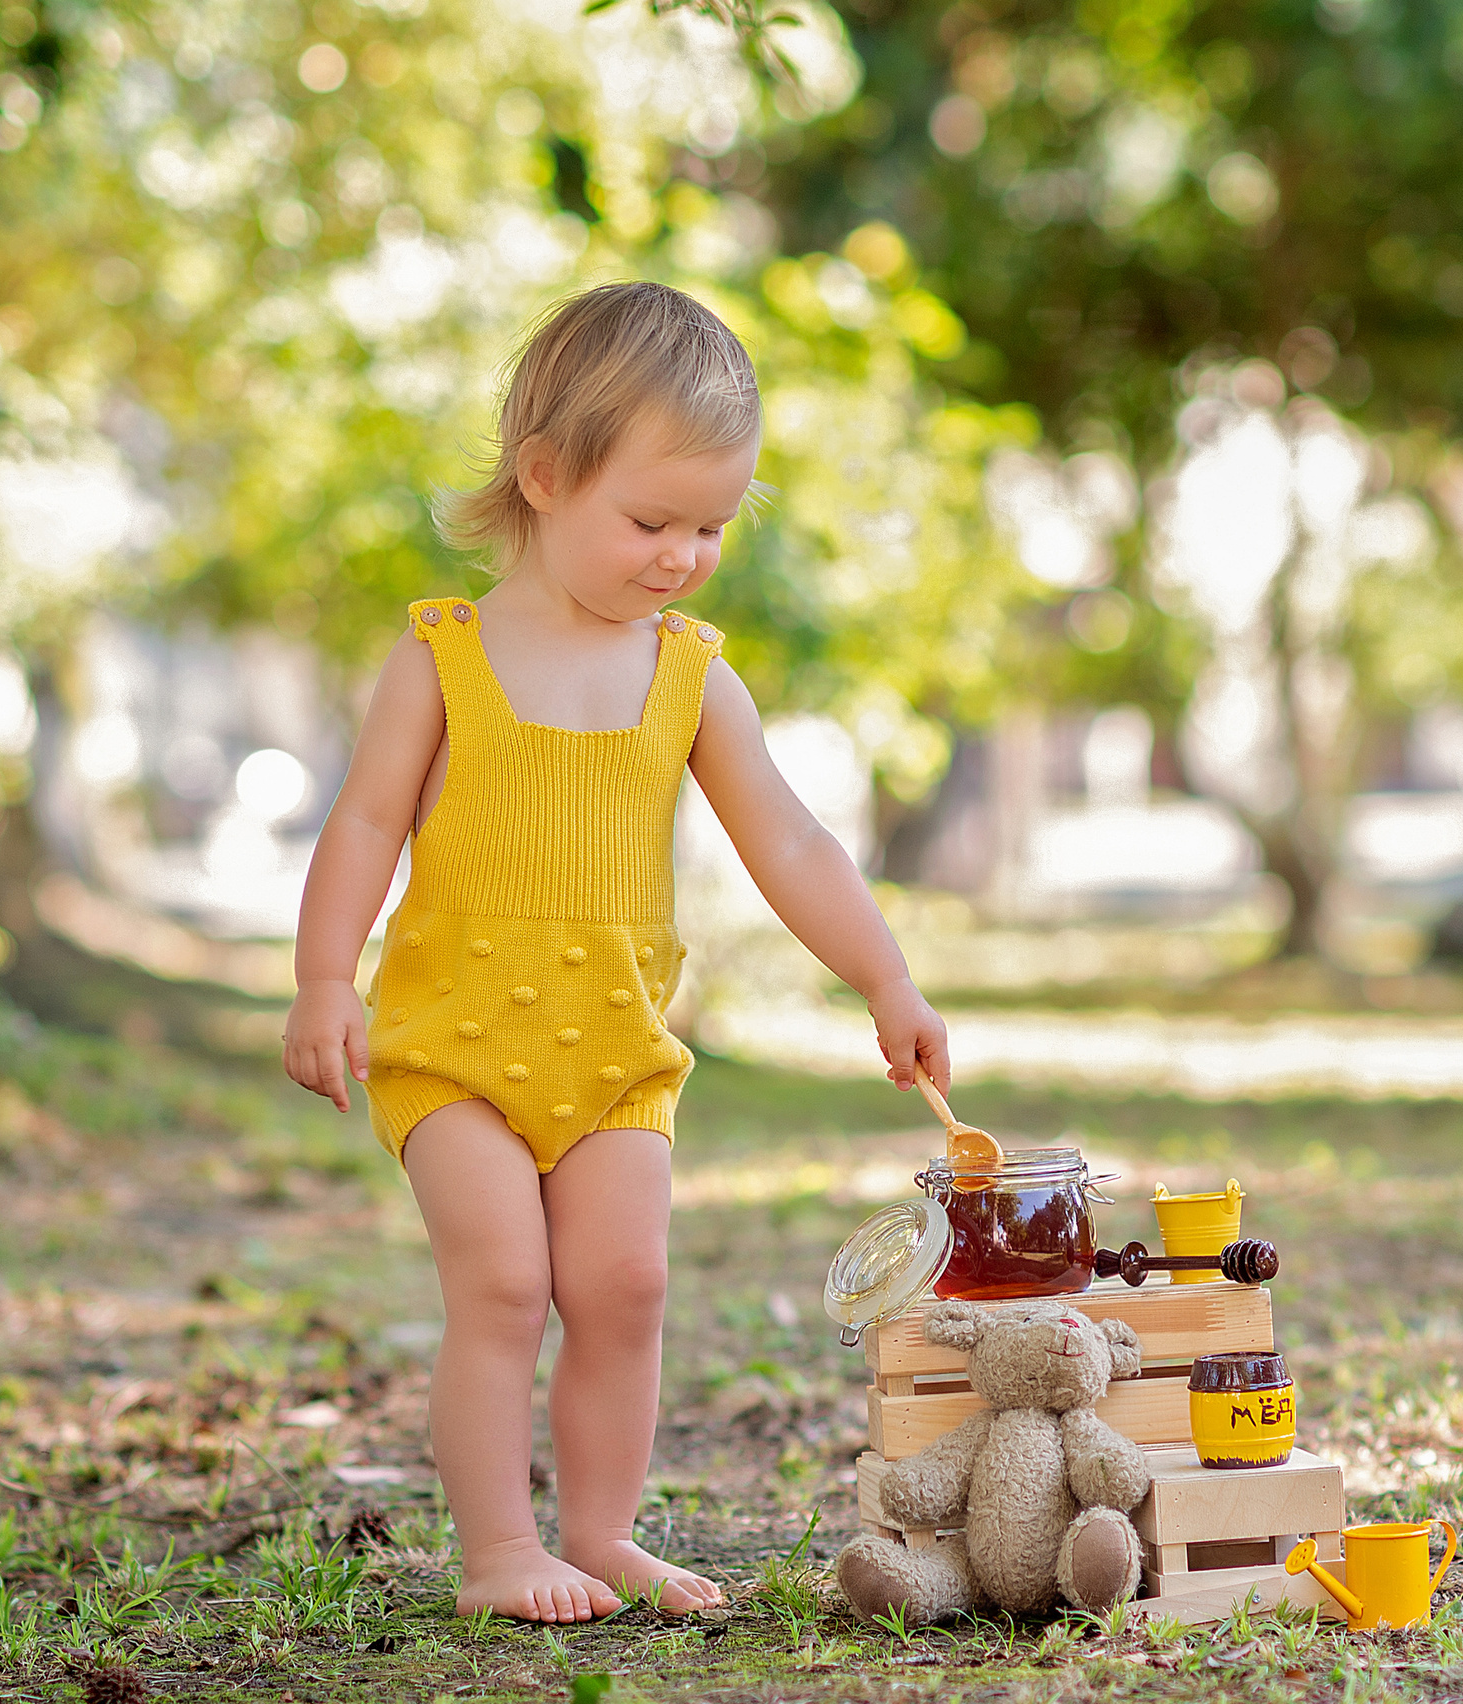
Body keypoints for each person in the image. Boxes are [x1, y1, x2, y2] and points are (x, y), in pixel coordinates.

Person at [280, 281, 952, 1622]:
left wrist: (885, 976)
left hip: (616, 1052)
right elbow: (361, 823)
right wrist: (321, 980)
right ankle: (497, 1556)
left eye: (711, 525)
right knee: (505, 1284)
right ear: (542, 476)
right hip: (450, 1046)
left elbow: (797, 846)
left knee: (626, 1284)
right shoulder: (444, 657)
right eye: (650, 520)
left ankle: (600, 1531)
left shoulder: (692, 673)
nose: (682, 554)